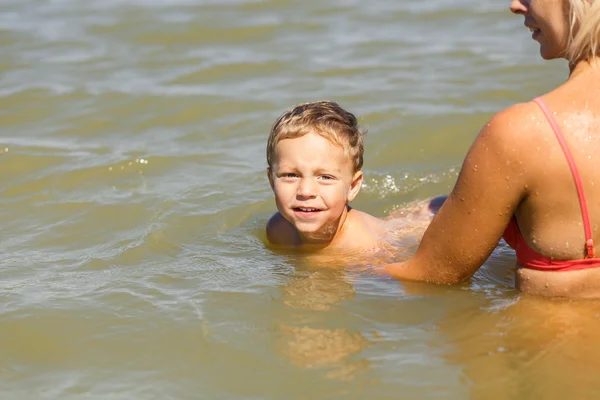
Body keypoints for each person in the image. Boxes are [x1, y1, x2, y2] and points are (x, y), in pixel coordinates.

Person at [385, 0, 600, 298]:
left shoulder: (524, 133)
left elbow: (431, 275)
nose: (515, 5)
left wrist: (334, 259)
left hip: (550, 343)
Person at [265, 100, 443, 252]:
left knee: (411, 224)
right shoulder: (277, 231)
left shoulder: (366, 248)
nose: (306, 191)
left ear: (352, 186)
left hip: (399, 235)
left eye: (325, 177)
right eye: (291, 175)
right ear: (272, 180)